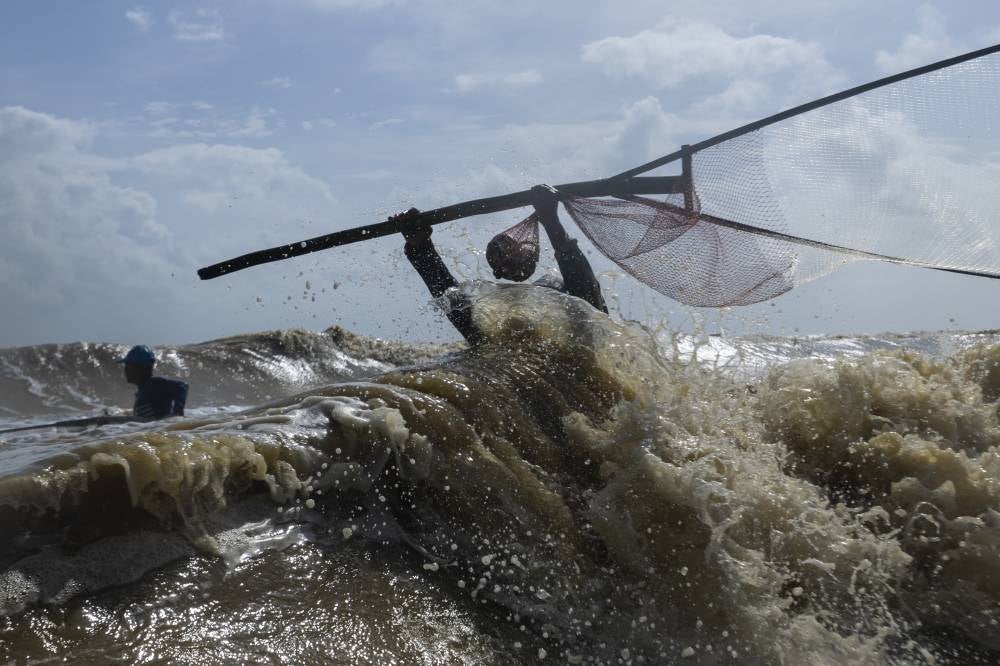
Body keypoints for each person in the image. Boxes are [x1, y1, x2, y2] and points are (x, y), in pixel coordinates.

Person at [400, 185, 607, 345]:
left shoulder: (584, 339)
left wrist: (551, 220)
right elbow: (454, 301)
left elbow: (588, 304)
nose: (527, 320)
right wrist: (421, 248)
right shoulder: (501, 341)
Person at [117, 345, 188, 420]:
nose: (125, 370)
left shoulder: (153, 384)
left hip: (159, 429)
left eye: (128, 366)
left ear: (139, 368)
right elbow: (142, 420)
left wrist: (177, 414)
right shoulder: (143, 390)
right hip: (152, 428)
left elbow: (182, 386)